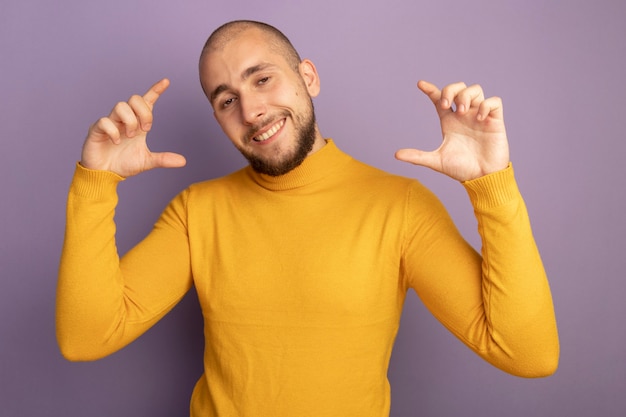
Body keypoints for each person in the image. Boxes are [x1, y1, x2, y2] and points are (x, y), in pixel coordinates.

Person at [56, 20, 559, 417]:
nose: (251, 109)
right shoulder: (197, 212)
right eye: (227, 99)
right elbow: (86, 338)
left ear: (308, 77)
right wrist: (96, 183)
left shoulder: (399, 208)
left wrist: (492, 184)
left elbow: (527, 354)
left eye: (263, 78)